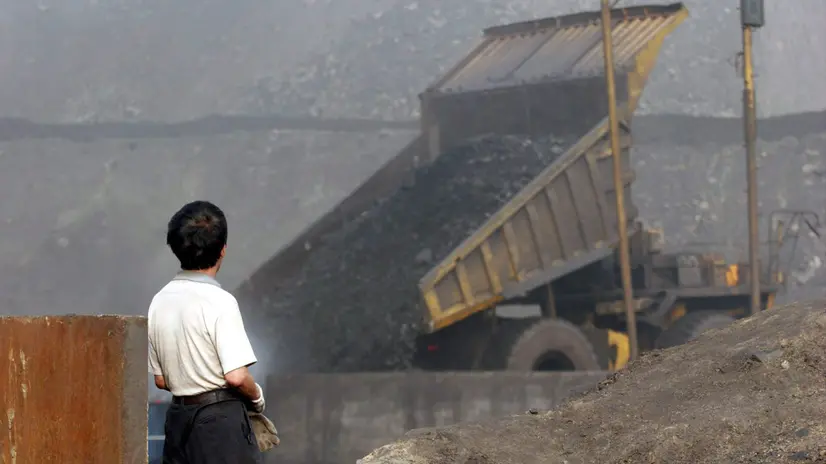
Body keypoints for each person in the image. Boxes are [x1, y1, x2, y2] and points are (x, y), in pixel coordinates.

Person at [148, 200, 265, 464]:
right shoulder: (220, 301)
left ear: (176, 247)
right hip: (219, 423)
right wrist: (256, 397)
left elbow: (161, 381)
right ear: (223, 250)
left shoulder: (159, 301)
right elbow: (236, 376)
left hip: (179, 421)